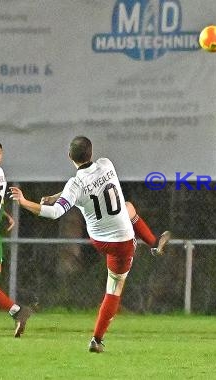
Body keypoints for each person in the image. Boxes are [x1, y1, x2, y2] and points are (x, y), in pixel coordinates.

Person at [10, 136, 133, 352]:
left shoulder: (75, 184)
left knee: (129, 211)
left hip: (100, 240)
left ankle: (153, 242)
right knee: (114, 288)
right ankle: (96, 339)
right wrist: (58, 196)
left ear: (70, 157)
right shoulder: (107, 164)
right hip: (122, 241)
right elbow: (90, 187)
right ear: (92, 152)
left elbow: (56, 212)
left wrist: (24, 202)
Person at [41, 192, 171, 256]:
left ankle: (153, 244)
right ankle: (150, 243)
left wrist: (53, 198)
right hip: (111, 233)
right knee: (116, 287)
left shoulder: (80, 181)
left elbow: (71, 191)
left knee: (128, 207)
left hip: (99, 235)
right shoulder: (103, 167)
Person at [0, 141, 33, 338]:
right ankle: (18, 312)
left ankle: (18, 312)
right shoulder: (0, 173)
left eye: (0, 152)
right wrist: (4, 215)